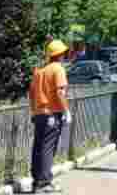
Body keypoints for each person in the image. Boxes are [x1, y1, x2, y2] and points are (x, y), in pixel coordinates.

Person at [29, 39, 71, 193]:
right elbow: (60, 92)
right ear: (59, 54)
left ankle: (36, 181)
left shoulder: (40, 71)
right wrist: (66, 110)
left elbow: (32, 94)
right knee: (48, 148)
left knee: (38, 147)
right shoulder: (58, 69)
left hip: (40, 113)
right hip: (52, 114)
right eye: (64, 53)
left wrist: (33, 111)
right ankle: (45, 183)